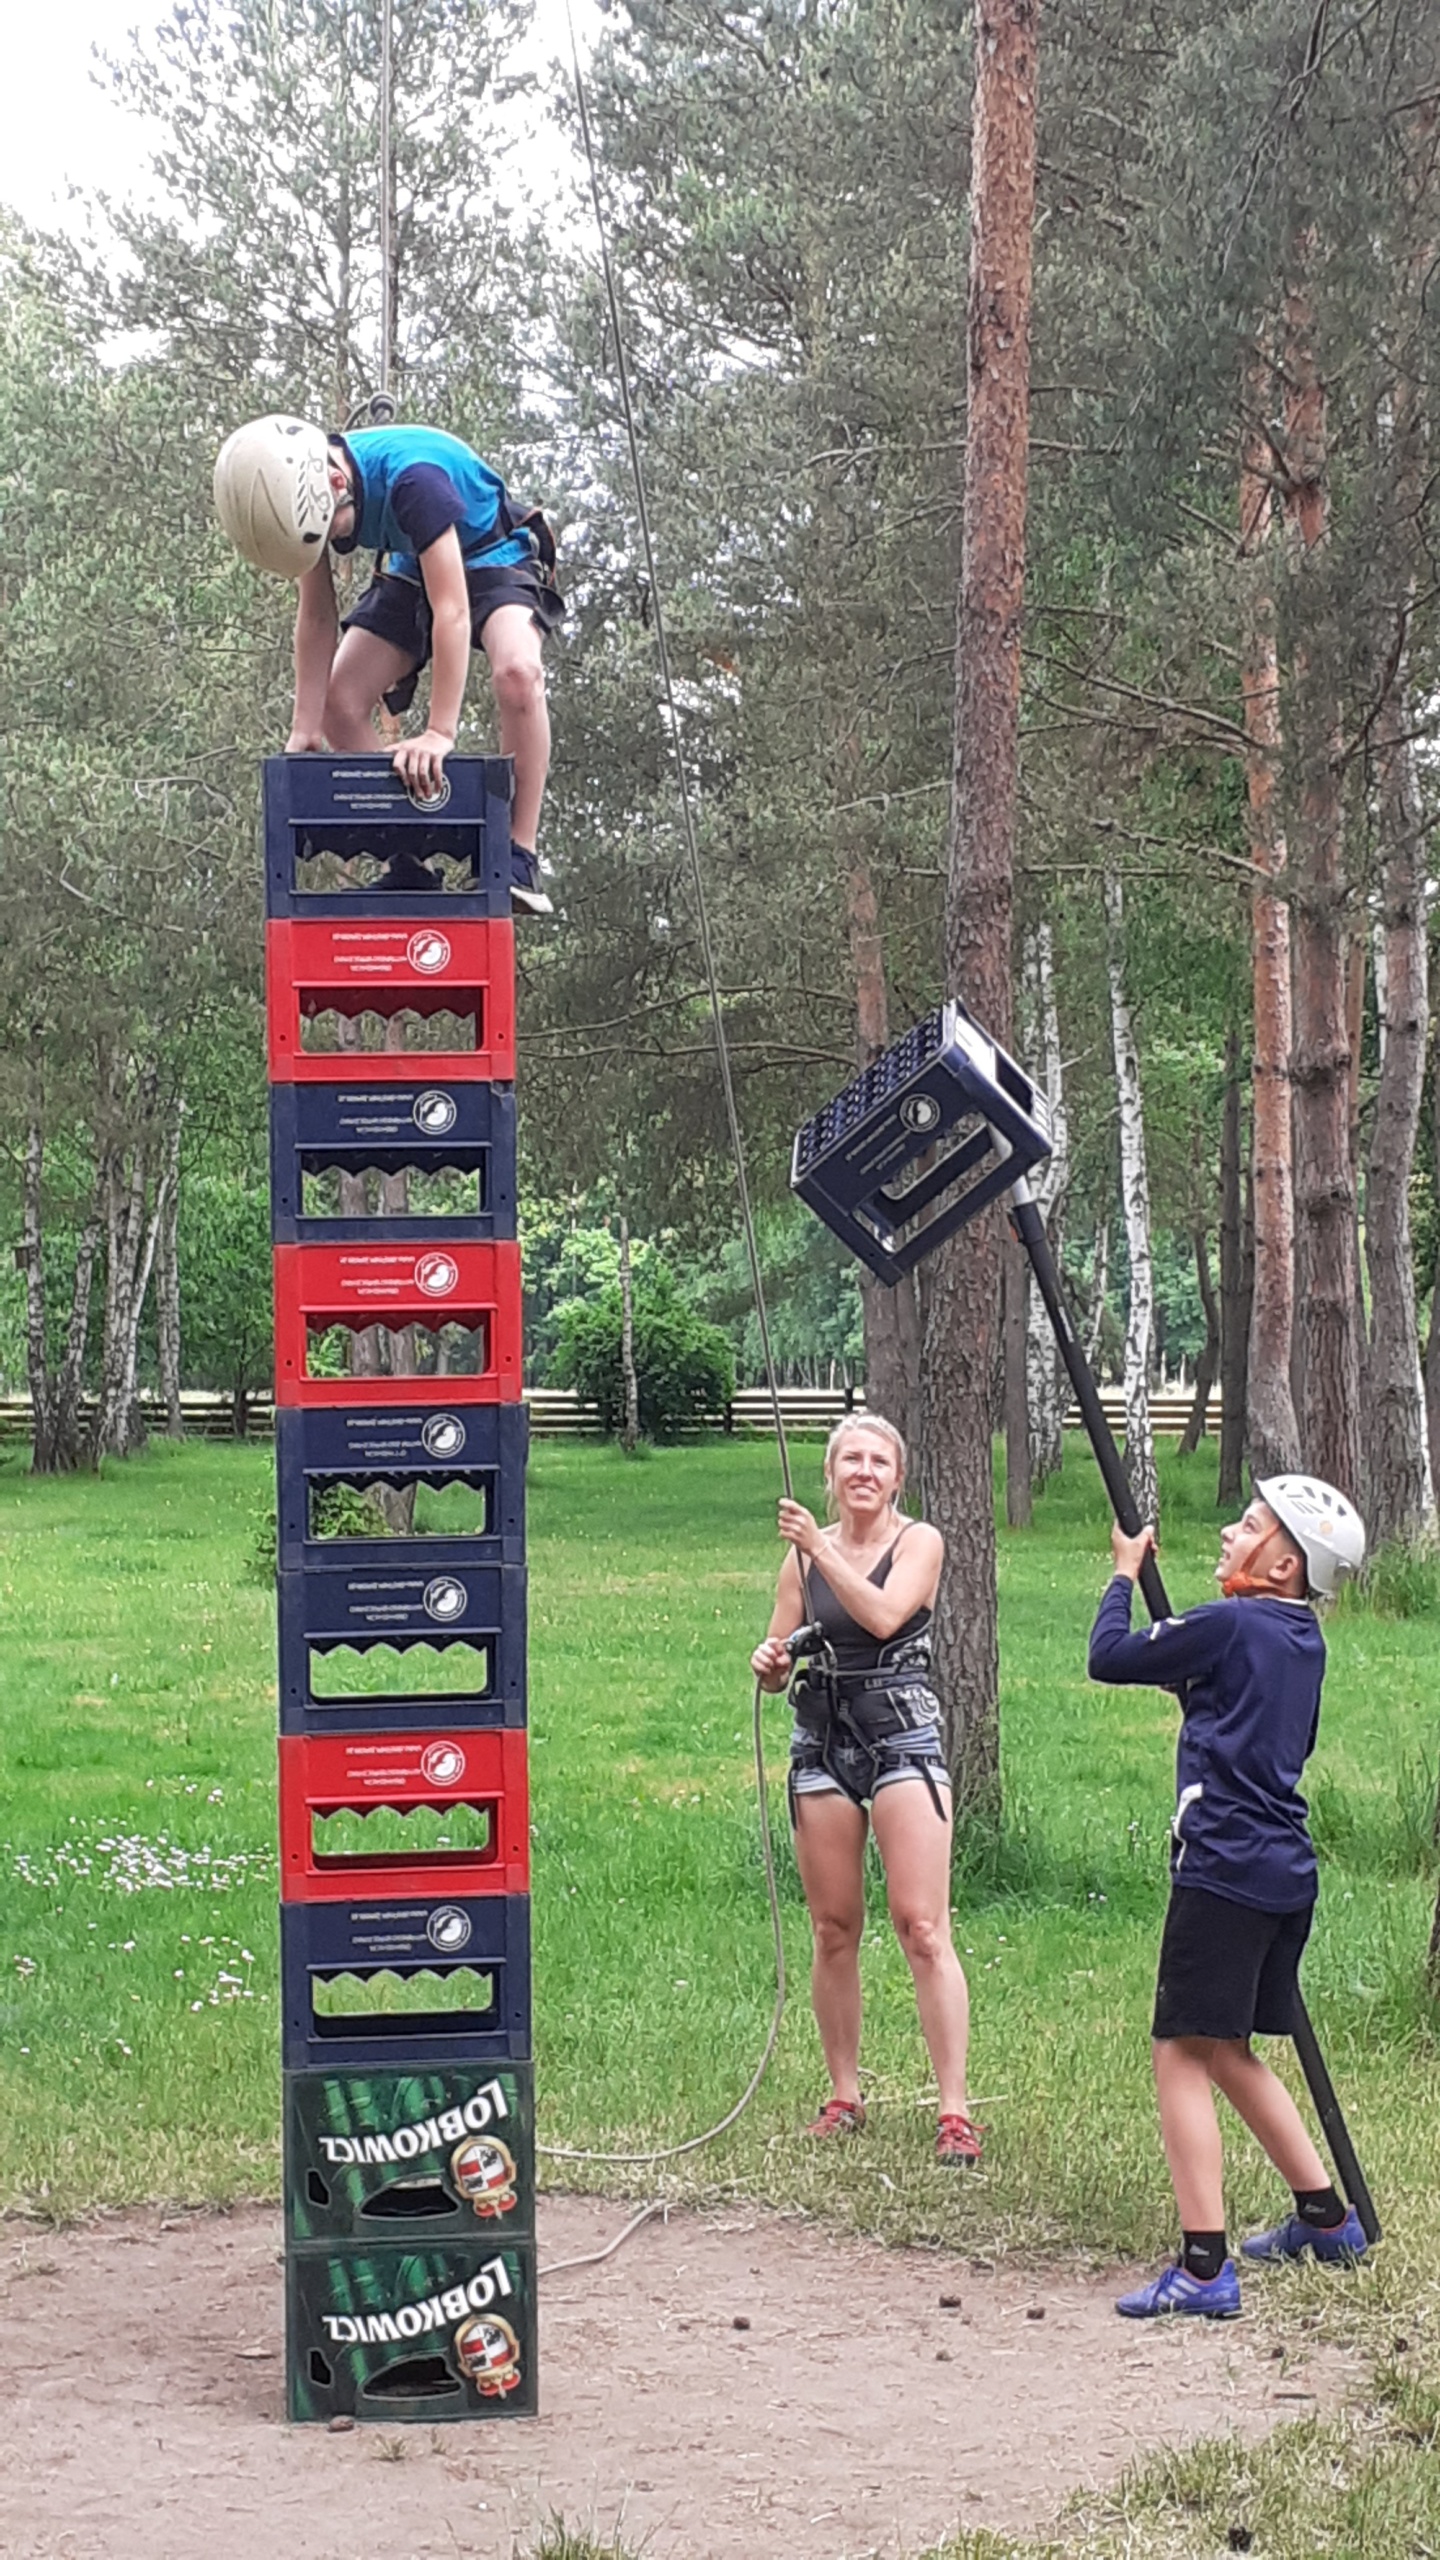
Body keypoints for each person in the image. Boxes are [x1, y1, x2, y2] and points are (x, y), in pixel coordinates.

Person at [1088, 1475, 1369, 2319]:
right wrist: (1202, 1687)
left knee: (1180, 2051)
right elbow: (1261, 1721)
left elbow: (1109, 1657)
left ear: (1284, 1564)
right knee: (1227, 2049)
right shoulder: (1302, 1639)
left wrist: (1123, 1573)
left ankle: (1205, 2268)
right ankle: (1325, 2218)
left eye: (1248, 1526)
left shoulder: (1231, 1624)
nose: (1227, 1533)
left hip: (1223, 1868)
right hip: (1284, 1872)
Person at [213, 412, 564, 912]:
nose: (334, 541)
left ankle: (518, 855)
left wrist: (439, 732)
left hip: (491, 552)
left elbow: (452, 610)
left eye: (332, 530)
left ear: (338, 483)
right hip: (413, 563)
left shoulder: (414, 482)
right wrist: (305, 728)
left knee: (518, 674)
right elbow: (317, 617)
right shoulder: (304, 499)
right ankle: (407, 857)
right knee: (339, 703)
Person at [750, 1416, 982, 2166]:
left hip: (901, 1735)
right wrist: (771, 1664)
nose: (864, 1471)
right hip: (821, 1740)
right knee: (832, 1928)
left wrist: (819, 1548)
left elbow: (884, 1617)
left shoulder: (919, 1543)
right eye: (850, 1459)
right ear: (830, 1473)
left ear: (897, 1478)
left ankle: (955, 2110)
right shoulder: (801, 1559)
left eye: (879, 1461)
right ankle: (844, 2095)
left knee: (923, 1926)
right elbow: (782, 1652)